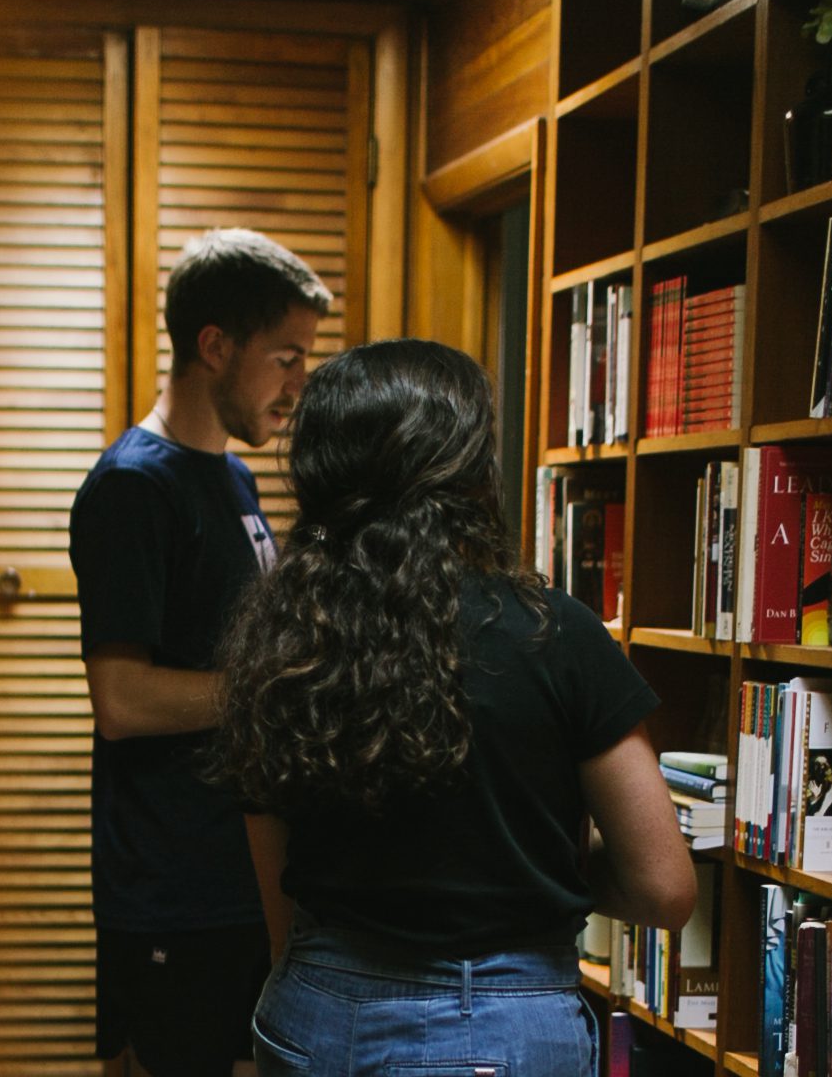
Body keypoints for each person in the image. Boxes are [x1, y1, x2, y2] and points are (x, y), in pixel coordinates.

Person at [215, 339, 696, 1077]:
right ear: (469, 473)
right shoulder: (554, 632)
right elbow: (663, 888)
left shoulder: (280, 636)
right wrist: (539, 870)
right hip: (492, 1028)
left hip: (312, 1010)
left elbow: (277, 894)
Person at [69, 228, 334, 1077]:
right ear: (214, 346)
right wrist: (279, 689)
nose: (301, 384)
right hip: (169, 894)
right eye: (286, 356)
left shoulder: (235, 476)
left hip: (245, 876)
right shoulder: (133, 488)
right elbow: (121, 700)